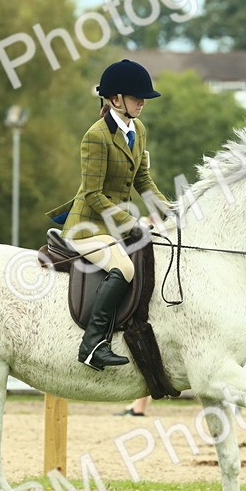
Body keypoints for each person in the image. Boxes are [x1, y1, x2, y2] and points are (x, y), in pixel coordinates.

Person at [46, 59, 171, 370]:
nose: (142, 103)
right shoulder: (96, 136)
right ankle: (92, 345)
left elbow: (142, 180)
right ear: (115, 99)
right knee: (124, 268)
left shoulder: (138, 130)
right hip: (87, 227)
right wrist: (131, 223)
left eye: (143, 98)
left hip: (113, 227)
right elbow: (92, 193)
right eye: (136, 97)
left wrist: (169, 210)